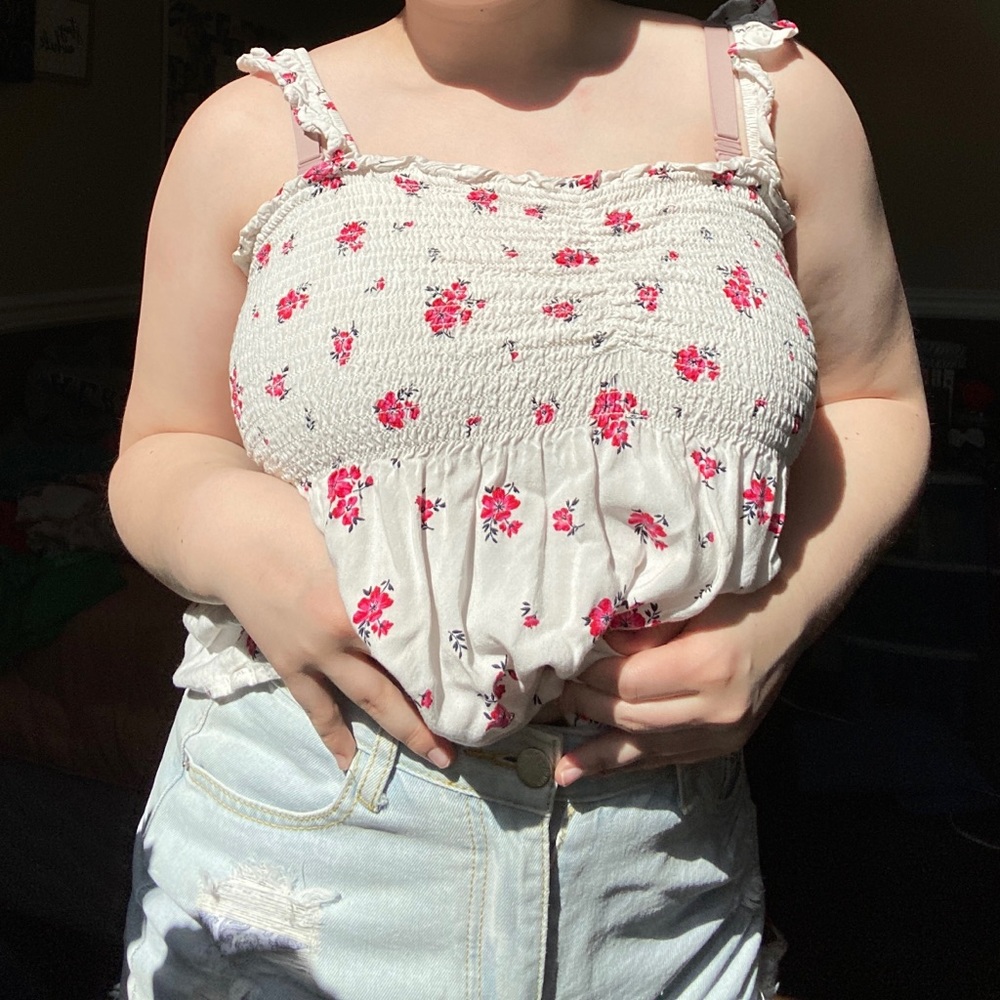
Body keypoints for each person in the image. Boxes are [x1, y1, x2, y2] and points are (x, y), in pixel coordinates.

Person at [109, 0, 929, 996]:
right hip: (302, 848)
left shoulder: (776, 100)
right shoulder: (253, 125)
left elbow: (876, 398)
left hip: (659, 878)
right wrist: (238, 536)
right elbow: (163, 445)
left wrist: (780, 623)